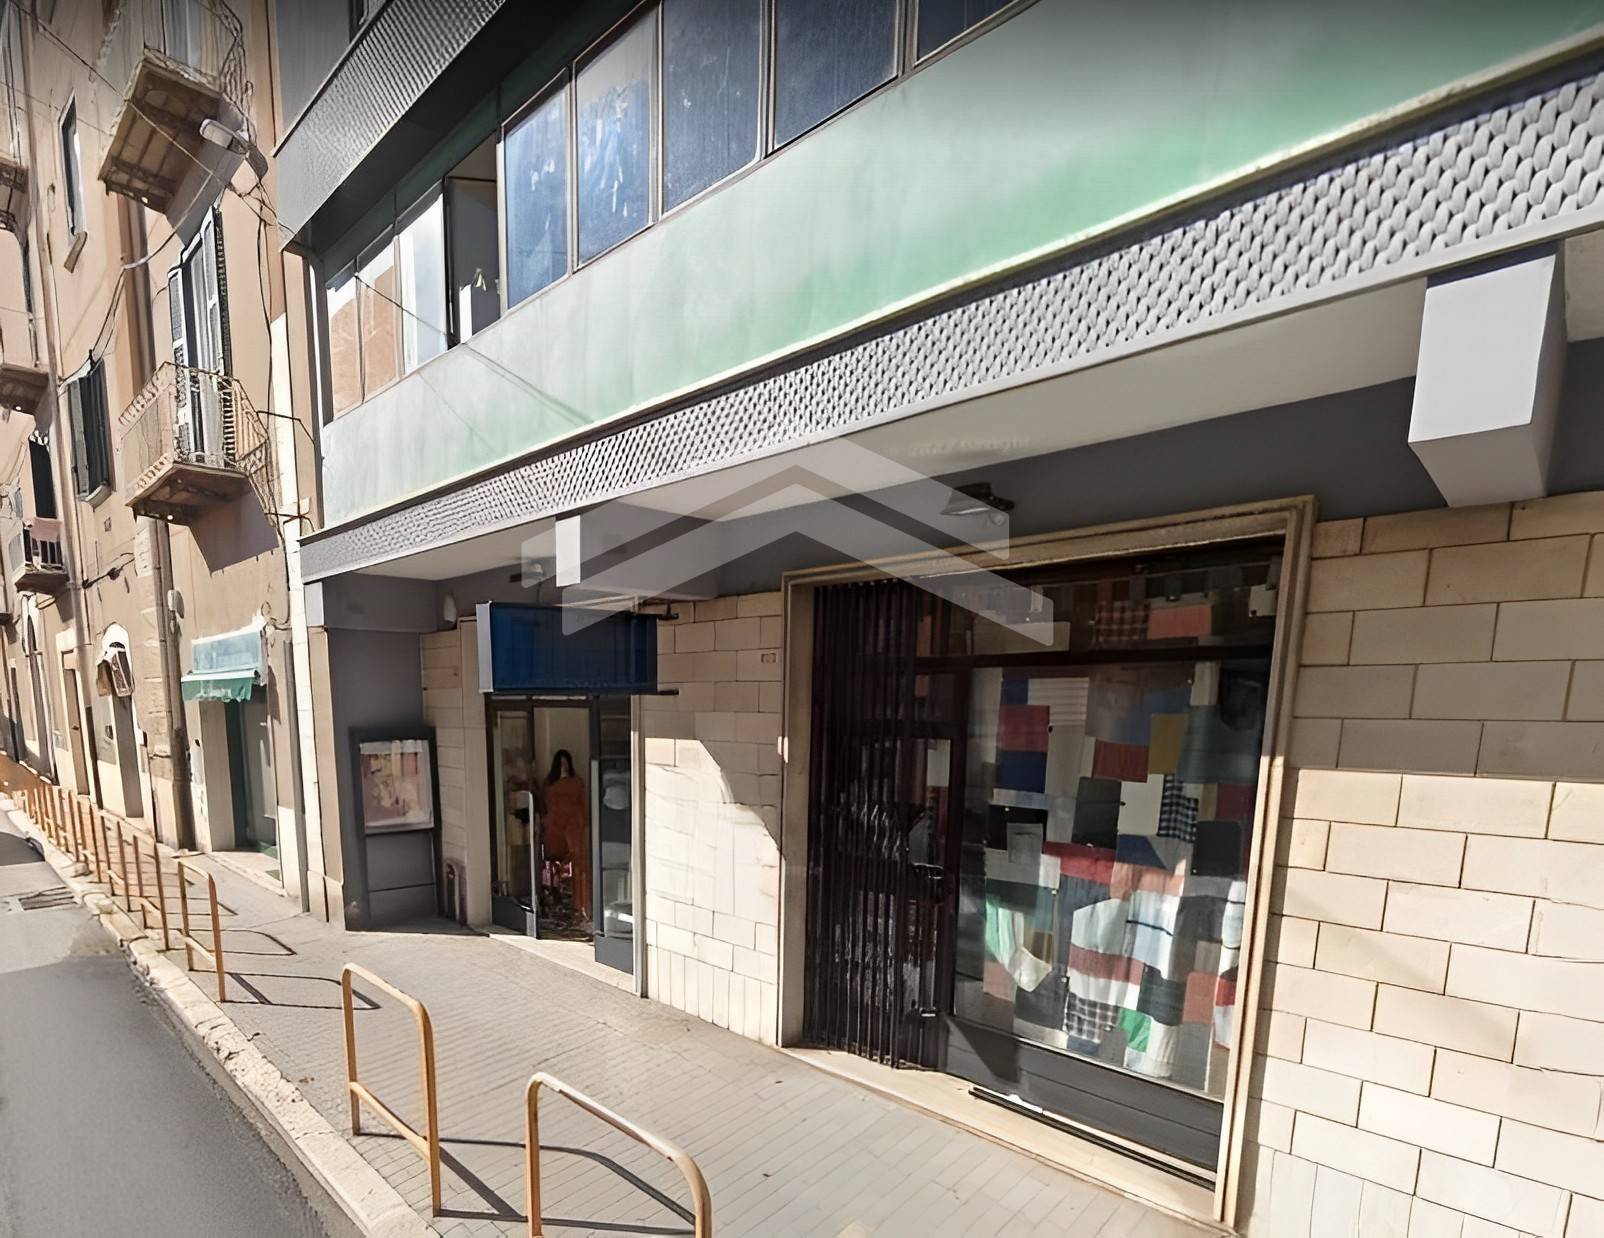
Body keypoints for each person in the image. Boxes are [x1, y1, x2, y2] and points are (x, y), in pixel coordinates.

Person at [542, 749, 590, 926]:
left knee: (577, 867)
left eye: (566, 762)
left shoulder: (576, 782)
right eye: (560, 763)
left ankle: (579, 906)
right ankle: (555, 905)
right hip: (555, 829)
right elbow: (545, 804)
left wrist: (580, 825)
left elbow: (582, 806)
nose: (563, 766)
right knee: (554, 867)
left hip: (572, 828)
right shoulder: (549, 783)